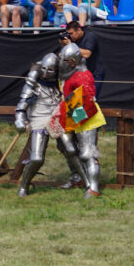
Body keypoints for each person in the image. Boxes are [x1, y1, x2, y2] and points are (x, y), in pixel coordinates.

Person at [14, 53, 85, 197]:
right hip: (39, 119)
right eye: (44, 69)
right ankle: (23, 186)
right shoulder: (34, 85)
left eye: (50, 70)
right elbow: (21, 106)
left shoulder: (60, 84)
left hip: (56, 118)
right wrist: (20, 120)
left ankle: (87, 182)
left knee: (71, 149)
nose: (46, 73)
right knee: (36, 159)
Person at [55, 43, 105, 197]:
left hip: (86, 118)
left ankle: (93, 188)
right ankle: (77, 177)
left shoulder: (83, 75)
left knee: (87, 154)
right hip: (72, 116)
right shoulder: (68, 74)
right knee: (67, 148)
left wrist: (74, 120)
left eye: (64, 60)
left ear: (72, 61)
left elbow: (87, 100)